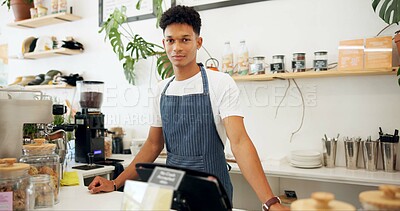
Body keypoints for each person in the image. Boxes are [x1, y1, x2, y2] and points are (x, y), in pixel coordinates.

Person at [88, 5, 289, 211]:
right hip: (171, 191)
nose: (177, 47)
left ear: (198, 42)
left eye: (185, 39)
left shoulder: (219, 83)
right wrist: (115, 183)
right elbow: (153, 145)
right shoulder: (161, 89)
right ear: (164, 43)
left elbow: (239, 142)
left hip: (211, 191)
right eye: (170, 40)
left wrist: (270, 202)